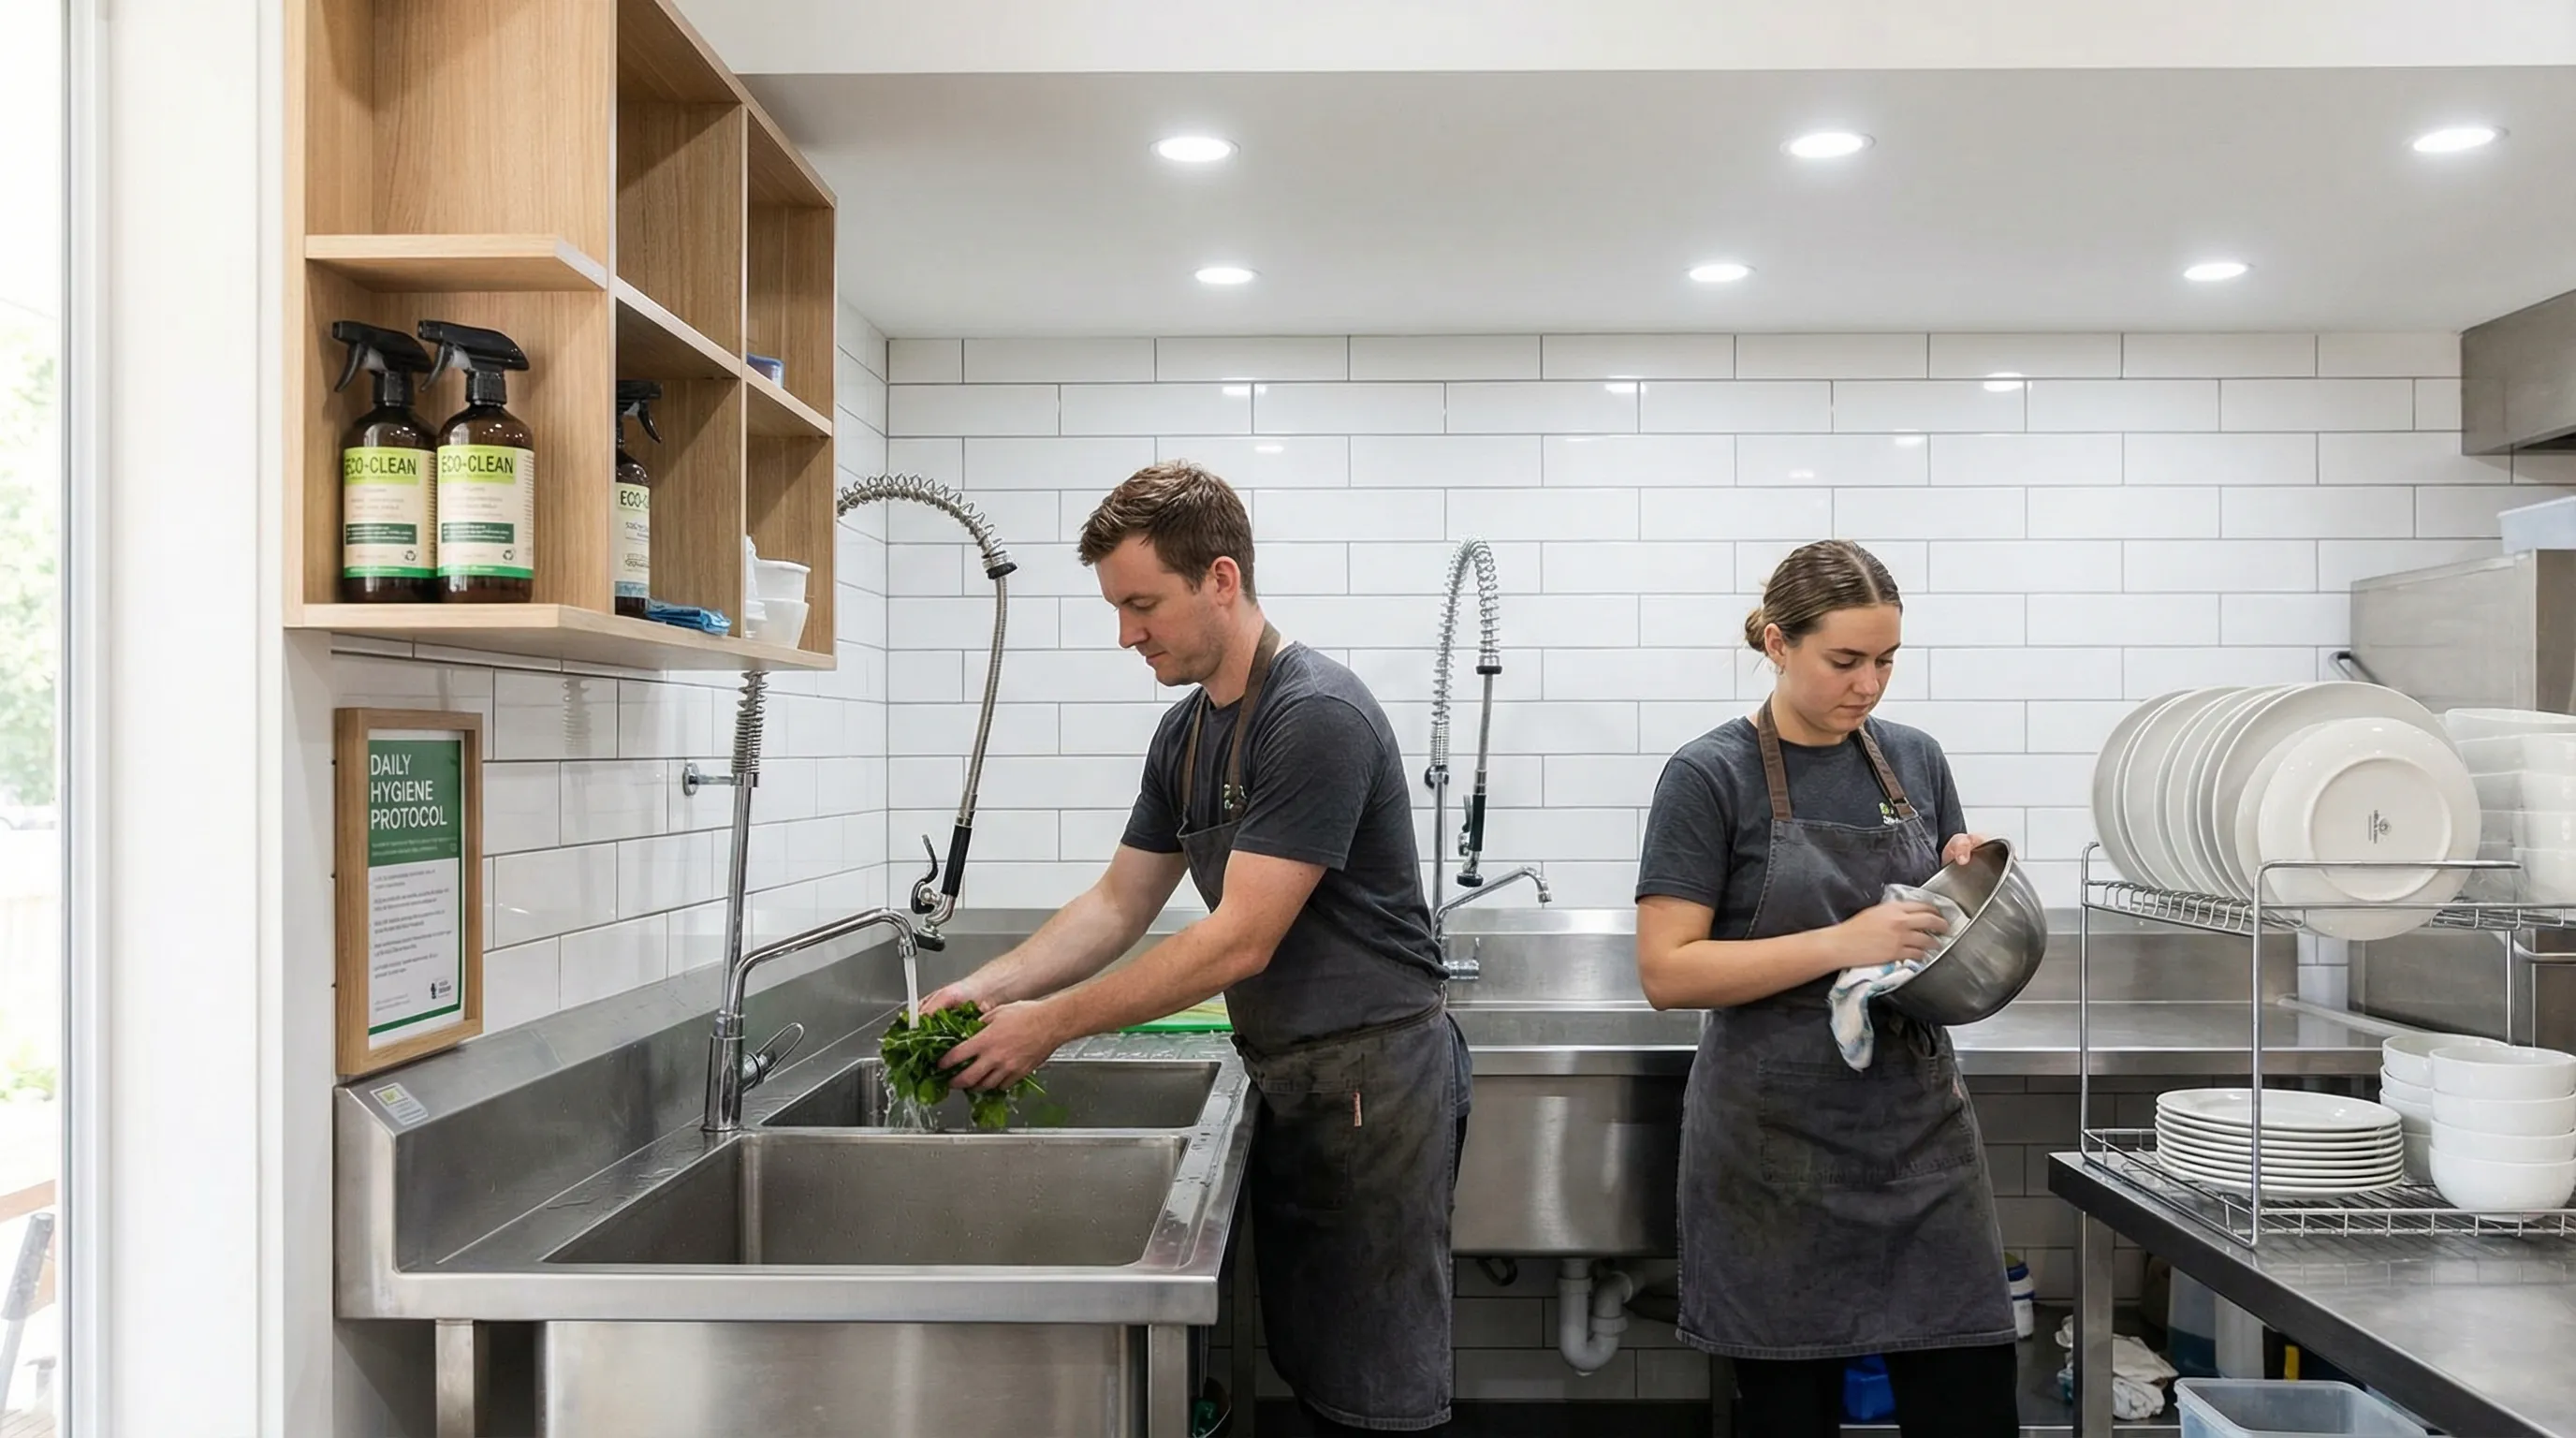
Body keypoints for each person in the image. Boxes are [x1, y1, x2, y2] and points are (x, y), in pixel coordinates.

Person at [933, 461, 1471, 1435]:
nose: (1126, 634)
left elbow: (1237, 942)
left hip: (1373, 1085)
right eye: (1118, 608)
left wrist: (1047, 1025)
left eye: (1143, 604)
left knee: (1375, 1378)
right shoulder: (1185, 734)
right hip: (1291, 1074)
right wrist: (983, 986)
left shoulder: (1315, 716)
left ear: (1220, 579)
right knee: (1315, 1359)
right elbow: (1117, 902)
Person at [1632, 539, 2019, 1437]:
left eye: (1886, 661)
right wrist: (1844, 941)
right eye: (1845, 660)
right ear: (1777, 643)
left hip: (1917, 1132)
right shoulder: (1709, 776)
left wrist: (1969, 876)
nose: (1869, 685)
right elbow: (1667, 970)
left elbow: (1933, 937)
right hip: (1777, 1152)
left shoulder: (1914, 760)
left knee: (1970, 1400)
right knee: (1789, 1415)